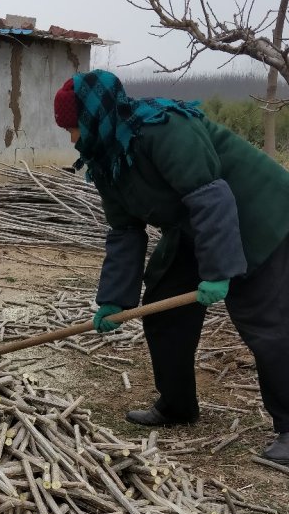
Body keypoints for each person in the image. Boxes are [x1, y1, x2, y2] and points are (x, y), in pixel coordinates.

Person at [52, 69, 289, 465]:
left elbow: (212, 198)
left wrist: (218, 271)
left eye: (74, 128)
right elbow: (125, 232)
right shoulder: (107, 158)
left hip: (257, 216)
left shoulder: (164, 129)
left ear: (96, 116)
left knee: (267, 324)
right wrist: (114, 301)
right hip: (196, 225)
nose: (73, 138)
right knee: (164, 302)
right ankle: (177, 405)